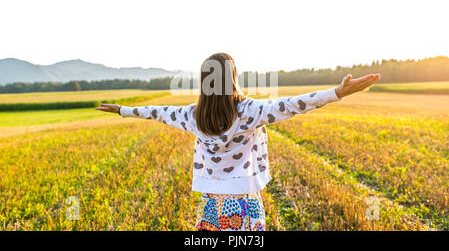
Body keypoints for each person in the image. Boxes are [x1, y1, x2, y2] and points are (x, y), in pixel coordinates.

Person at [96, 52, 381, 231]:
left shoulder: (192, 116)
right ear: (233, 79)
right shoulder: (249, 111)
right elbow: (294, 104)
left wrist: (122, 110)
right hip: (245, 202)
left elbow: (156, 113)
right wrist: (337, 93)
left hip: (211, 203)